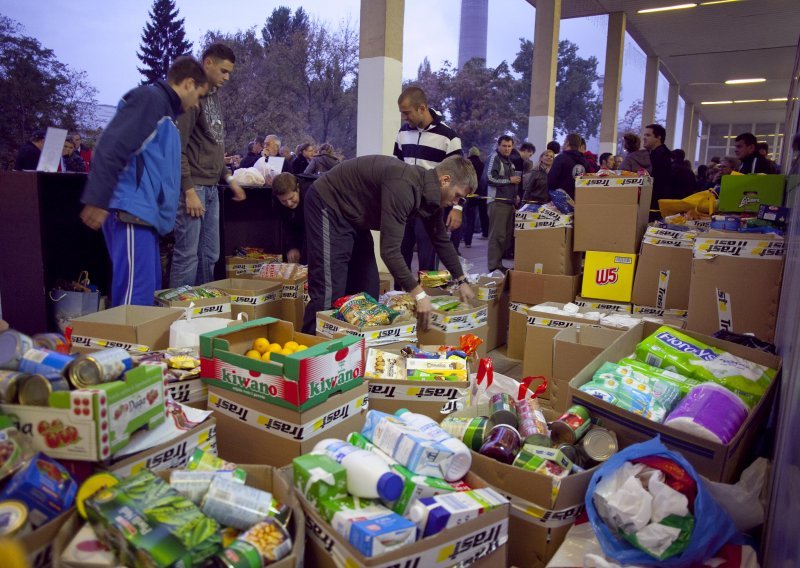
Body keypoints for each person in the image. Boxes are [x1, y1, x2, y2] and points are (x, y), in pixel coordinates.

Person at [79, 56, 209, 306]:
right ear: (189, 83)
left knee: (147, 293)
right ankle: (124, 346)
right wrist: (99, 199)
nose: (196, 104)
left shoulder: (168, 115)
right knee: (134, 299)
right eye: (199, 96)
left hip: (146, 216)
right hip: (132, 211)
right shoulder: (150, 100)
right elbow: (111, 146)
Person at [301, 155, 476, 333]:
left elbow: (440, 239)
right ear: (445, 180)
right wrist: (419, 294)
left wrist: (462, 280)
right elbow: (390, 251)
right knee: (329, 291)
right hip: (329, 203)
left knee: (367, 288)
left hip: (354, 215)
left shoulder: (431, 198)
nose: (456, 203)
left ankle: (353, 347)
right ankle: (310, 348)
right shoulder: (404, 186)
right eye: (457, 196)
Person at [170, 43, 246, 288]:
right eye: (224, 71)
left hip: (211, 188)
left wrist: (229, 179)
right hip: (194, 190)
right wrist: (189, 190)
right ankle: (178, 314)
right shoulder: (192, 96)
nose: (227, 77)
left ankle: (203, 313)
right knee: (187, 257)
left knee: (209, 256)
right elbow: (177, 148)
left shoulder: (214, 98)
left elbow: (214, 146)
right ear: (208, 63)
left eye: (230, 73)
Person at [394, 86, 462, 271]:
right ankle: (400, 297)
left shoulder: (449, 137)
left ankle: (426, 296)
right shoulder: (403, 133)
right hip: (405, 204)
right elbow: (397, 166)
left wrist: (457, 207)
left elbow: (459, 176)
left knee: (427, 257)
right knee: (401, 252)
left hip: (431, 205)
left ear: (422, 108)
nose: (404, 118)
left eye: (407, 113)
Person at [486, 135, 521, 273]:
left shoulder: (509, 162)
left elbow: (511, 182)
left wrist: (514, 196)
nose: (507, 149)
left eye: (509, 146)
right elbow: (490, 178)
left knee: (504, 237)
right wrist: (509, 180)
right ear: (498, 145)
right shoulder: (494, 157)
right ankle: (493, 267)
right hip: (497, 202)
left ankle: (498, 264)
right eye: (504, 146)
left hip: (507, 203)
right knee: (496, 236)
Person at [271, 172, 306, 263]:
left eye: (291, 198)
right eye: (283, 201)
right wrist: (292, 246)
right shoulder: (276, 201)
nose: (289, 204)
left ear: (297, 188)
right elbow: (286, 225)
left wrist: (303, 251)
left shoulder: (310, 195)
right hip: (296, 230)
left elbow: (312, 230)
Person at [643, 123, 672, 217]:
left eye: (648, 135)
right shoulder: (660, 153)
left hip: (657, 205)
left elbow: (657, 181)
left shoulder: (660, 155)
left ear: (658, 137)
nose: (644, 138)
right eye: (644, 135)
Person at [547, 132, 588, 199]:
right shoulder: (585, 162)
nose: (563, 144)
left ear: (567, 143)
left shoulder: (561, 158)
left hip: (560, 201)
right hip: (578, 200)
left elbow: (551, 180)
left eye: (564, 142)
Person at [461, 146, 486, 248]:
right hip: (477, 193)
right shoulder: (482, 164)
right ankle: (468, 242)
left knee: (463, 217)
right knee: (472, 218)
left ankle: (461, 237)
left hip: (466, 193)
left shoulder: (466, 163)